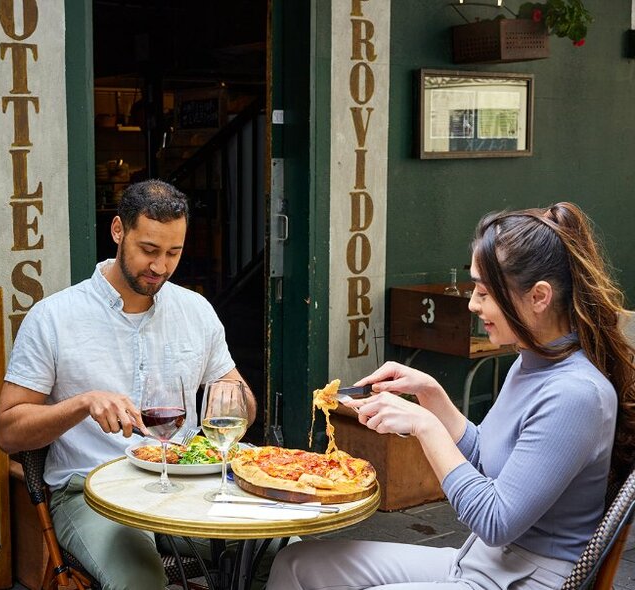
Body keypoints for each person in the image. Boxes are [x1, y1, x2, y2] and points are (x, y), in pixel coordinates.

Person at [268, 202, 635, 590]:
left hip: (523, 580)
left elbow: (495, 520)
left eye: (484, 292)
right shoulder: (531, 362)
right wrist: (431, 395)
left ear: (539, 297)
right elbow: (485, 459)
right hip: (480, 563)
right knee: (297, 563)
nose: (473, 304)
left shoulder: (576, 395)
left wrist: (426, 427)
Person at [0, 179, 258, 590]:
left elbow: (237, 396)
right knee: (140, 582)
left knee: (280, 550)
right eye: (149, 250)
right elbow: (8, 430)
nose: (160, 267)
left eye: (174, 253)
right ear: (118, 231)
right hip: (91, 494)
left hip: (186, 487)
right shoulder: (54, 317)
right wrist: (82, 403)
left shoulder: (196, 310)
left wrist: (234, 404)